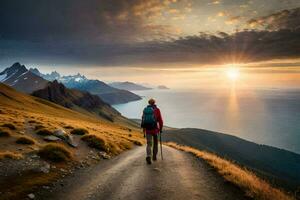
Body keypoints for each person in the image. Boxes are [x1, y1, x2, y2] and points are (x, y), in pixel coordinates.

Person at [141, 98, 163, 164]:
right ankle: (154, 156)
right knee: (155, 143)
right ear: (154, 103)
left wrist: (144, 130)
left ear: (149, 103)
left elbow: (143, 120)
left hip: (148, 130)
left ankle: (148, 156)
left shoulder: (145, 110)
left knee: (149, 144)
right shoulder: (157, 110)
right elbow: (160, 121)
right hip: (155, 130)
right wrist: (160, 128)